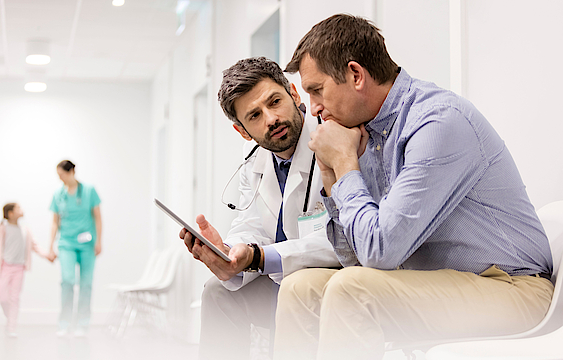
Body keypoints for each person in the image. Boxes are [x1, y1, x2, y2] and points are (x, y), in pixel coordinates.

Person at [273, 14, 554, 360]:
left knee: (352, 291)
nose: (313, 107)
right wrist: (332, 177)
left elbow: (380, 252)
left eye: (317, 90)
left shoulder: (437, 121)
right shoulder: (367, 133)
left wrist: (346, 164)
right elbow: (355, 258)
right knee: (299, 288)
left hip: (514, 290)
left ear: (355, 75)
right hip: (443, 283)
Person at [179, 57, 340, 360]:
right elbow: (251, 220)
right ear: (242, 130)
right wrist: (230, 251)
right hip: (283, 282)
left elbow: (346, 240)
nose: (271, 119)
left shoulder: (335, 138)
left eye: (274, 102)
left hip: (331, 284)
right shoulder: (254, 157)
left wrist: (257, 258)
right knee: (217, 291)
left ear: (293, 93)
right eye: (254, 115)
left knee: (297, 289)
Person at [48, 160, 102, 337]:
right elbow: (55, 222)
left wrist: (99, 241)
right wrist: (50, 246)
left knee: (86, 285)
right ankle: (64, 324)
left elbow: (97, 218)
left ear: (71, 171)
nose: (60, 178)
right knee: (68, 281)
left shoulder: (89, 190)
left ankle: (82, 324)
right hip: (66, 244)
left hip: (87, 245)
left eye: (61, 174)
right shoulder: (58, 194)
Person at [0, 202, 54, 337]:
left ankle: (11, 327)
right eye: (18, 208)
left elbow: (34, 245)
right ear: (10, 213)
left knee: (14, 297)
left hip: (19, 268)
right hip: (5, 267)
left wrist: (47, 255)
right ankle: (10, 318)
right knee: (3, 298)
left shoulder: (25, 229)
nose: (22, 210)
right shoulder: (3, 228)